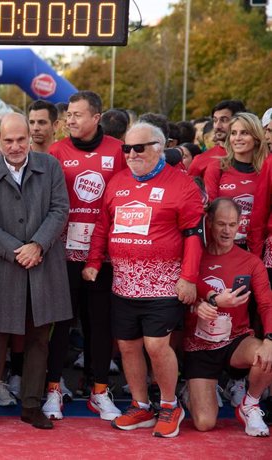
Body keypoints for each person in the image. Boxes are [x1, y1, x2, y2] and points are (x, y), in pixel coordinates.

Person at [82, 122, 204, 438]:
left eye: (139, 148)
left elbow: (194, 234)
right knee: (127, 345)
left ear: (159, 147)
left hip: (164, 283)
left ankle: (168, 405)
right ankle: (140, 406)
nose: (131, 154)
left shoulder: (182, 184)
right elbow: (102, 225)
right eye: (126, 148)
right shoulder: (117, 182)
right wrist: (94, 261)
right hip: (123, 284)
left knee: (156, 344)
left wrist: (189, 277)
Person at [0, 113, 71, 431]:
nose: (15, 146)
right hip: (3, 266)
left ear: (30, 138)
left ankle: (31, 406)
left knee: (40, 338)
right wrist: (18, 250)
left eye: (20, 139)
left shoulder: (50, 166)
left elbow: (60, 209)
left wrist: (37, 245)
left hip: (44, 264)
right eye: (8, 140)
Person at [46, 90, 126, 421]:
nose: (70, 120)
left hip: (104, 256)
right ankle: (53, 389)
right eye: (68, 115)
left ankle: (99, 390)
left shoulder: (118, 152)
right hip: (63, 254)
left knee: (99, 325)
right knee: (60, 324)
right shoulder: (55, 151)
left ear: (96, 118)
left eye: (78, 115)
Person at [181, 197, 272, 437]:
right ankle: (188, 391)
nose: (227, 230)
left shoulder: (250, 261)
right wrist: (197, 305)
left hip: (236, 340)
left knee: (268, 353)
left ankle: (250, 404)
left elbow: (266, 304)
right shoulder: (193, 256)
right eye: (221, 224)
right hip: (198, 346)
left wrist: (270, 338)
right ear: (209, 222)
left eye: (233, 224)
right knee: (204, 423)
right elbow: (177, 294)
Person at [203, 113, 268, 248]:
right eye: (233, 133)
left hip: (257, 246)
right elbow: (210, 211)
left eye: (244, 133)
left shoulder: (266, 169)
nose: (237, 138)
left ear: (256, 138)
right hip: (223, 246)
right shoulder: (217, 167)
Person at [189, 100, 247, 177]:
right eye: (215, 120)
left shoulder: (257, 157)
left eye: (224, 120)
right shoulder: (200, 160)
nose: (217, 126)